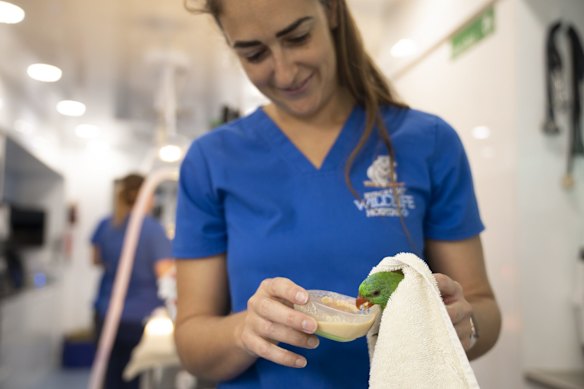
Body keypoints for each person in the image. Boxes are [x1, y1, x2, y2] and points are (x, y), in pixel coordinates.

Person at [172, 1, 502, 388]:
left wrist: (465, 325)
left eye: (297, 37)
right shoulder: (212, 160)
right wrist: (246, 330)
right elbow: (191, 343)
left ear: (331, 11)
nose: (284, 71)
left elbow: (484, 309)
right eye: (254, 53)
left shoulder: (428, 143)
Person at [91, 173, 174, 389]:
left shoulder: (106, 225)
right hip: (139, 318)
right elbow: (164, 273)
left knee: (110, 376)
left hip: (106, 313)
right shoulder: (153, 230)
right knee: (134, 379)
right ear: (147, 196)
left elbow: (97, 260)